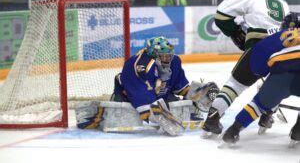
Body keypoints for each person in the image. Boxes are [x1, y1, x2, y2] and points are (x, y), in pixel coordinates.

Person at [76, 36, 219, 136]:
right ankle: (104, 109)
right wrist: (153, 111)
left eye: (169, 55)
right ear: (154, 55)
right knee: (130, 108)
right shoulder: (138, 66)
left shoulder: (174, 61)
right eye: (164, 56)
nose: (168, 58)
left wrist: (195, 94)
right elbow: (139, 93)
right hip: (130, 95)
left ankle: (170, 108)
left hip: (158, 94)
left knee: (173, 104)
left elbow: (178, 85)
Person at [202, 0, 290, 135]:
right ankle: (267, 114)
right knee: (278, 83)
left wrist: (234, 32)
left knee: (235, 84)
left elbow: (221, 15)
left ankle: (212, 120)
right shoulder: (283, 2)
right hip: (284, 48)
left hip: (261, 46)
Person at [222, 12, 300, 145]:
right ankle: (298, 131)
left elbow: (259, 62)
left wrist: (265, 74)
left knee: (259, 103)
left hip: (280, 76)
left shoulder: (278, 36)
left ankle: (233, 130)